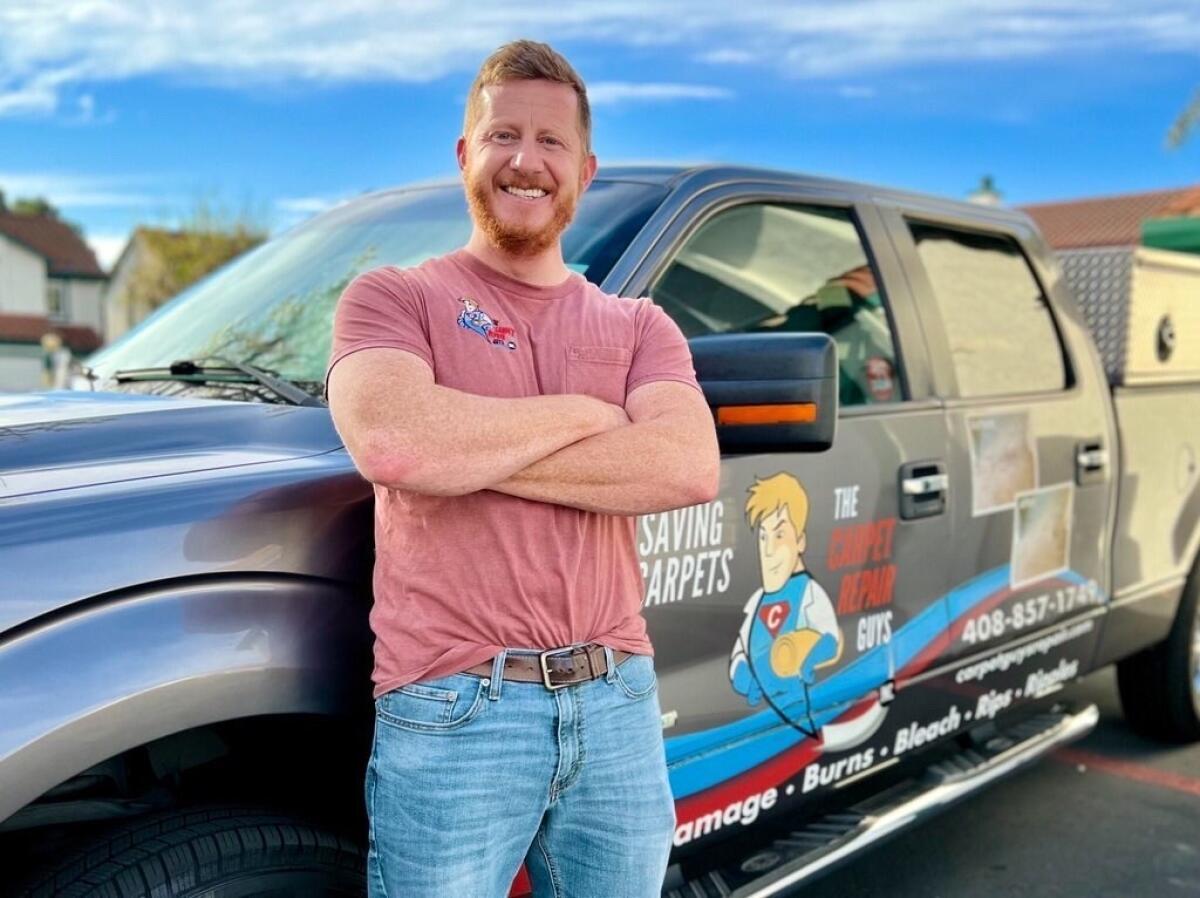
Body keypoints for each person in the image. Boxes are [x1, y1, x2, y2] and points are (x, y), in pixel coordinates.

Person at [325, 39, 720, 897]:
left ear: (584, 167)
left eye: (550, 142)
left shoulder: (640, 325)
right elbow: (396, 444)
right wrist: (587, 416)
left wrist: (463, 451)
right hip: (455, 705)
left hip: (617, 699)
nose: (525, 160)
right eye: (504, 135)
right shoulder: (395, 298)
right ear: (467, 155)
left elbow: (686, 466)